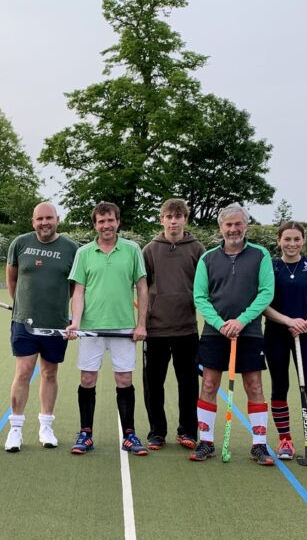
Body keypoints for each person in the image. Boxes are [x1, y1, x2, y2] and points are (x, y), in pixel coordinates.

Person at [191, 203, 275, 466]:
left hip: (249, 332)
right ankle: (205, 441)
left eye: (238, 224)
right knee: (208, 385)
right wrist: (220, 324)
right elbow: (200, 297)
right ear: (221, 227)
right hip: (215, 334)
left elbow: (266, 293)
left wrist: (240, 321)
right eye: (228, 225)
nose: (233, 229)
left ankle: (259, 445)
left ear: (246, 225)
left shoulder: (261, 255)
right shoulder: (207, 258)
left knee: (254, 386)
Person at [65, 201, 149, 456]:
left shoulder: (132, 249)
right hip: (92, 328)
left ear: (118, 221)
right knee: (87, 379)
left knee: (124, 379)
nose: (106, 225)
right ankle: (85, 434)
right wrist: (76, 321)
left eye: (110, 220)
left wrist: (141, 323)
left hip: (124, 327)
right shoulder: (84, 253)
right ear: (95, 225)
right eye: (101, 221)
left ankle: (130, 436)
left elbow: (142, 288)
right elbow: (78, 291)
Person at [4, 201, 79, 451]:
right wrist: (22, 308)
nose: (44, 223)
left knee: (49, 373)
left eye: (49, 218)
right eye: (39, 219)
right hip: (24, 322)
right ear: (33, 222)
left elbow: (73, 287)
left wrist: (56, 308)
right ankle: (15, 429)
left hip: (56, 324)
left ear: (57, 219)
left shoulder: (71, 248)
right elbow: (12, 279)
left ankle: (46, 426)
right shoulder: (20, 243)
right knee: (23, 372)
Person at [262, 221, 307, 467]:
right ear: (279, 240)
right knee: (280, 386)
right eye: (287, 239)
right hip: (276, 333)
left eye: (296, 239)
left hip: (306, 334)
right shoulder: (270, 267)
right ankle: (285, 440)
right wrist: (288, 320)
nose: (292, 244)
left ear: (303, 241)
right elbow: (263, 304)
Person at [141, 198, 205, 452]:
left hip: (186, 328)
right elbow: (142, 288)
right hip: (155, 330)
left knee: (188, 383)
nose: (174, 221)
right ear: (162, 219)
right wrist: (144, 319)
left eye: (178, 216)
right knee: (153, 383)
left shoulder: (197, 249)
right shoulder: (150, 250)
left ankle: (188, 430)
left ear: (185, 219)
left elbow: (204, 287)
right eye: (169, 216)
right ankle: (157, 432)